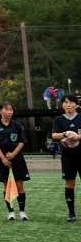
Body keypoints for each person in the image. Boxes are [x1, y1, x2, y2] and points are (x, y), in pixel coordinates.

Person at [0, 101, 30, 221]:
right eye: (7, 109)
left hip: (17, 158)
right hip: (3, 159)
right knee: (7, 186)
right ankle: (11, 212)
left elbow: (22, 141)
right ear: (0, 111)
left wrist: (13, 154)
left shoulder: (17, 126)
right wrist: (3, 158)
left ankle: (22, 212)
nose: (9, 112)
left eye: (11, 109)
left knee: (19, 185)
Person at [51, 92, 80, 221]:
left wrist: (77, 137)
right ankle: (71, 213)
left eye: (71, 102)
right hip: (68, 156)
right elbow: (54, 135)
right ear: (62, 105)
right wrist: (65, 133)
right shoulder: (59, 119)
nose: (68, 105)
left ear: (76, 105)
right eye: (66, 102)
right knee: (69, 183)